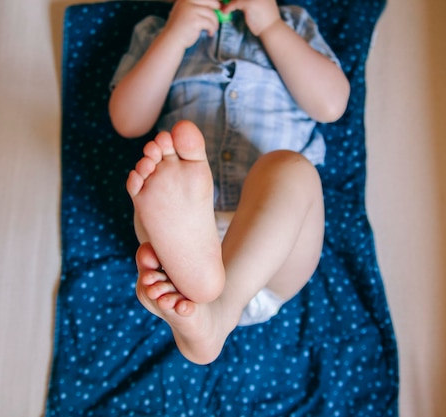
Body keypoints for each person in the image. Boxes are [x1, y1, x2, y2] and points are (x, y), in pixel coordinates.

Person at [108, 0, 350, 365]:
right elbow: (128, 120)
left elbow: (331, 104)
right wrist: (174, 35)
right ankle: (206, 297)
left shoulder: (292, 23)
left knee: (291, 169)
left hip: (272, 255)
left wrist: (271, 27)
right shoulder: (157, 29)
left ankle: (221, 307)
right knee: (155, 178)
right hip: (187, 234)